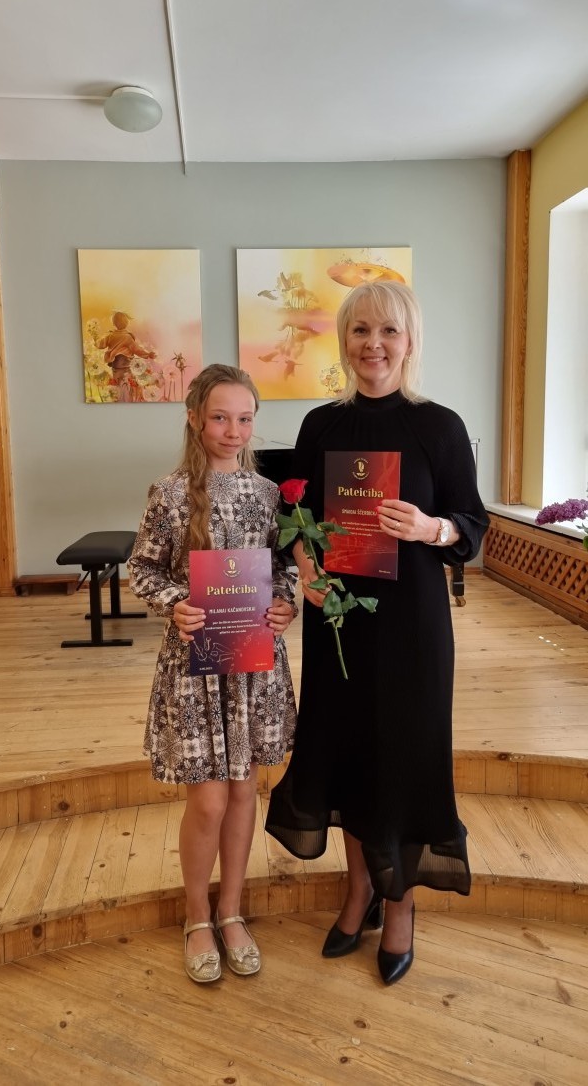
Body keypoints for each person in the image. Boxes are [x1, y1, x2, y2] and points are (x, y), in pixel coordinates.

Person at [265, 281, 488, 986]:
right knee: (347, 753)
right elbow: (294, 520)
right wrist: (305, 569)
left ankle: (399, 906)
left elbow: (473, 525)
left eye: (388, 330)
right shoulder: (321, 426)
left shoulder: (439, 426)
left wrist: (430, 527)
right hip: (339, 622)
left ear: (409, 340)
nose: (373, 344)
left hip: (412, 628)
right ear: (344, 341)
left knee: (404, 756)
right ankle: (358, 887)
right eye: (360, 330)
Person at [129, 364, 298, 985]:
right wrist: (176, 602)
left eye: (245, 419)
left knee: (245, 791)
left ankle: (231, 911)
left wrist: (286, 602)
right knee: (208, 799)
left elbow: (286, 568)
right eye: (221, 417)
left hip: (253, 665)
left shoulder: (269, 494)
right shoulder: (169, 492)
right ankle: (196, 915)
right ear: (195, 418)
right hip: (195, 668)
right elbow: (142, 569)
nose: (233, 430)